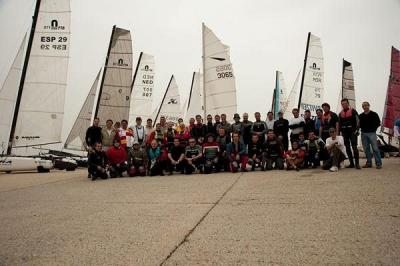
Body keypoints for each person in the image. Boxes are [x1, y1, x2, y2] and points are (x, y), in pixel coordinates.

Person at [359, 101, 382, 169]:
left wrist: (373, 129)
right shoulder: (360, 116)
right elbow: (358, 125)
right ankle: (369, 163)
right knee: (366, 149)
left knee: (375, 148)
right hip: (363, 133)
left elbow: (378, 123)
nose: (364, 107)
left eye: (366, 105)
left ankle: (378, 163)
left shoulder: (374, 114)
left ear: (369, 106)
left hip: (372, 133)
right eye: (363, 106)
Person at [339, 98, 361, 169]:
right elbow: (339, 124)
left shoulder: (353, 111)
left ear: (348, 104)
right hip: (345, 132)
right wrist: (339, 133)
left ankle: (357, 164)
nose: (344, 105)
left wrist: (357, 130)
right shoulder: (340, 113)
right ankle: (351, 163)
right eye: (342, 104)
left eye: (345, 103)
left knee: (354, 147)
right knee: (347, 148)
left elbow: (358, 121)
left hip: (352, 131)